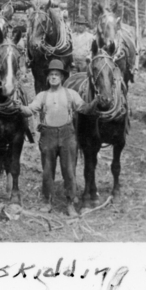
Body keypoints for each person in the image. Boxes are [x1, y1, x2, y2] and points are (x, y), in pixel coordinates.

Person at [20, 58, 101, 216]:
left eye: (57, 74)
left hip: (67, 136)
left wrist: (95, 102)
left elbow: (84, 108)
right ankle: (47, 201)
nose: (54, 77)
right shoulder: (42, 96)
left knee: (69, 171)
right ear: (48, 77)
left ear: (63, 77)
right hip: (48, 137)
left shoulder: (71, 94)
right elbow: (29, 110)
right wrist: (17, 106)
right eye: (51, 74)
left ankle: (70, 203)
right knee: (47, 171)